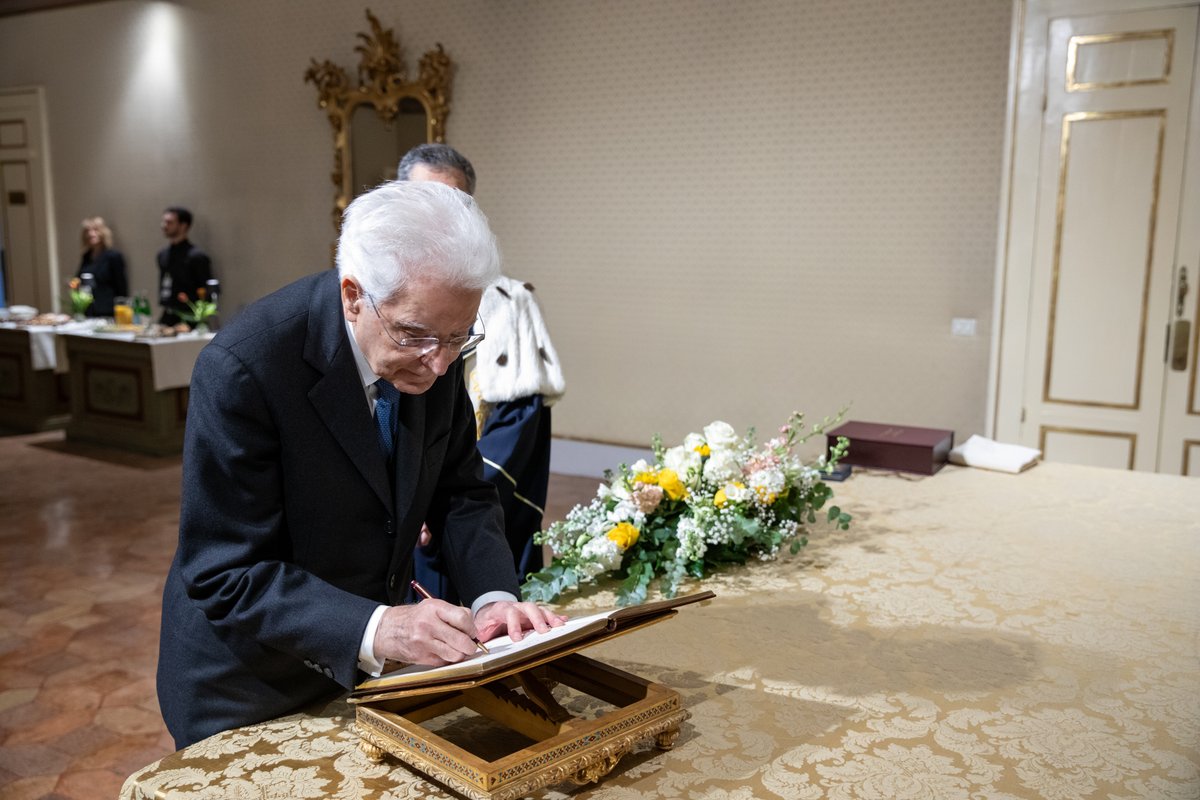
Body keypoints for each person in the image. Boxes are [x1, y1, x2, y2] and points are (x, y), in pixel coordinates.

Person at [156, 181, 566, 749]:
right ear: (353, 296)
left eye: (459, 338)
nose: (440, 365)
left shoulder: (431, 347)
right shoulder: (245, 368)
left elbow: (462, 491)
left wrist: (494, 599)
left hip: (369, 672)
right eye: (416, 335)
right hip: (247, 683)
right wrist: (379, 626)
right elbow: (224, 571)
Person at [397, 144, 565, 602]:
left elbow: (518, 427)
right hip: (397, 510)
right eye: (421, 204)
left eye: (452, 205)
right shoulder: (380, 298)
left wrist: (438, 508)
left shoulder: (511, 306)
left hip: (471, 503)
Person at [156, 206, 212, 325]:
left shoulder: (197, 256)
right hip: (167, 315)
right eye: (164, 221)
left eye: (169, 222)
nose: (164, 225)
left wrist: (199, 317)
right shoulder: (163, 255)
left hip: (189, 317)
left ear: (183, 225)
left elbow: (207, 292)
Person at [76, 217, 128, 318]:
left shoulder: (113, 256)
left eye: (95, 230)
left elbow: (121, 288)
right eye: (87, 231)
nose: (91, 234)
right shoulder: (86, 257)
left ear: (103, 232)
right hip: (89, 309)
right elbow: (79, 279)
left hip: (108, 311)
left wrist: (121, 312)